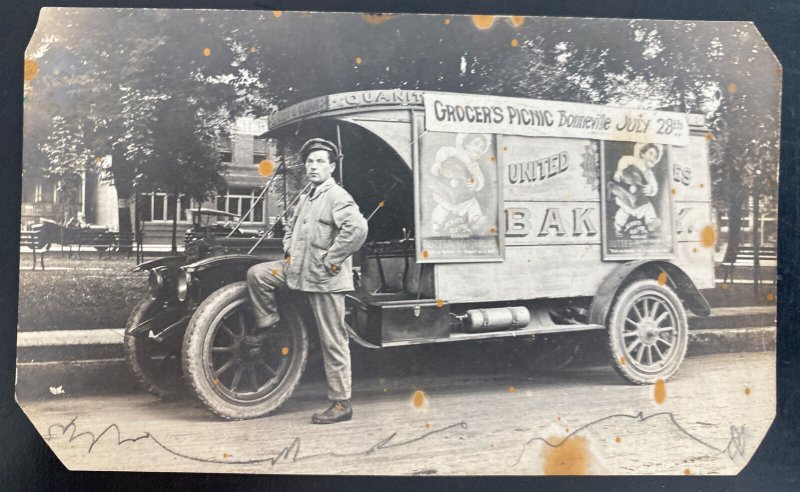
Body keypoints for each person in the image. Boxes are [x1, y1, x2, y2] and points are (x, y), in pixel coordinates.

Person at [247, 138, 368, 424]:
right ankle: (270, 326)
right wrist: (289, 248)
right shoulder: (306, 196)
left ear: (332, 167)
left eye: (320, 162)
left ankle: (341, 404)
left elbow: (358, 229)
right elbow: (289, 227)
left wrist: (332, 260)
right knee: (258, 274)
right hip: (297, 272)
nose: (313, 166)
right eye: (310, 162)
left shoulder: (337, 196)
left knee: (333, 340)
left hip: (326, 279)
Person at [429, 133, 490, 235]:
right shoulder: (454, 152)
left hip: (464, 195)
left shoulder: (473, 165)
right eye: (476, 144)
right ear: (466, 144)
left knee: (473, 204)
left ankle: (475, 219)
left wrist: (476, 183)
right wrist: (438, 163)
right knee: (442, 208)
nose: (479, 149)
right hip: (448, 190)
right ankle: (436, 224)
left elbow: (479, 177)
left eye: (482, 148)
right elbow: (443, 152)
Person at [608, 142, 664, 237]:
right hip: (626, 191)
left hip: (638, 197)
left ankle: (651, 222)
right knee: (624, 211)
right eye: (650, 153)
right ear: (642, 154)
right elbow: (624, 160)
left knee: (648, 207)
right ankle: (618, 227)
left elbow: (654, 185)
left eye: (655, 156)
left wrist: (650, 189)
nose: (653, 157)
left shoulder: (648, 173)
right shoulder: (633, 161)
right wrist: (619, 170)